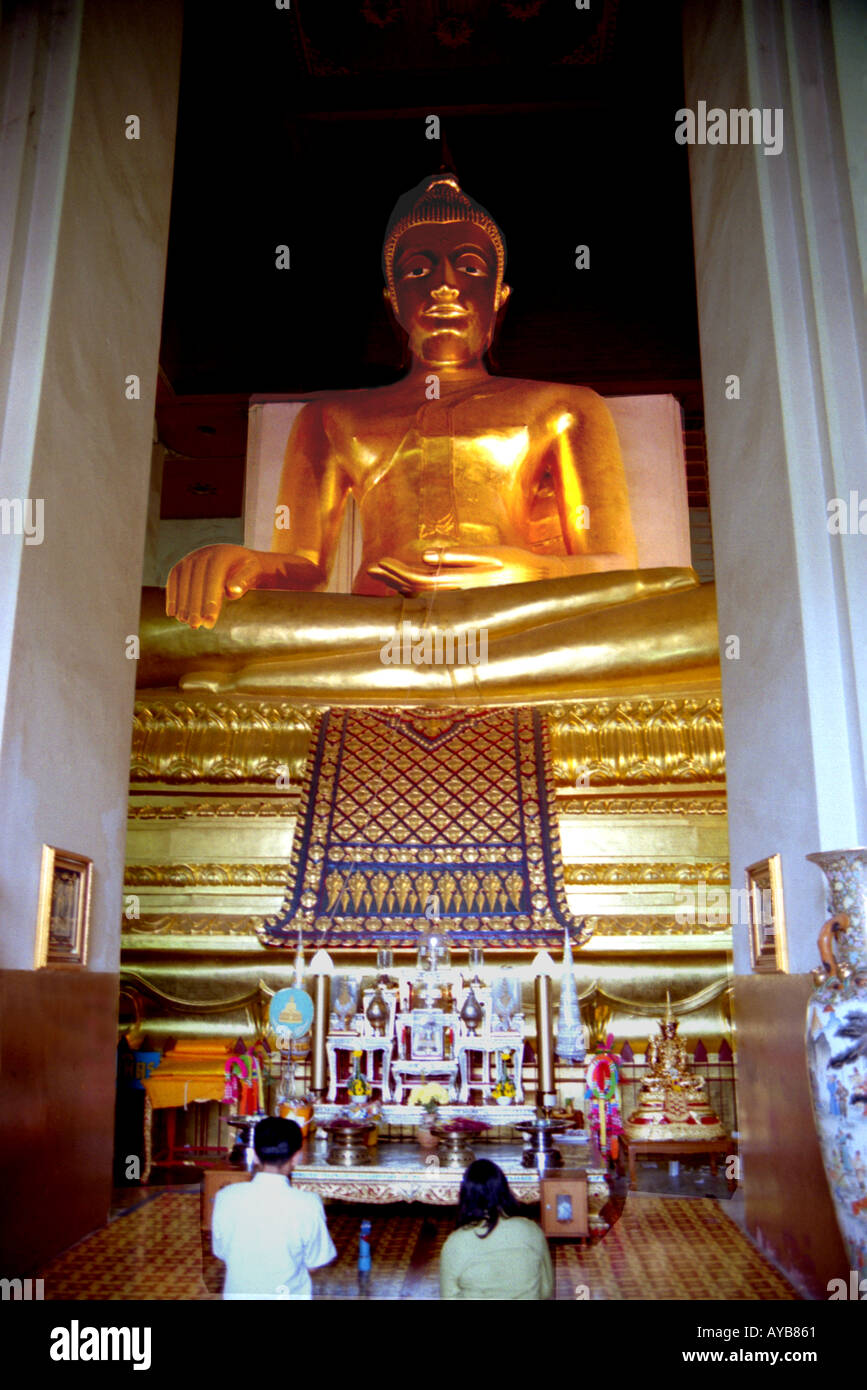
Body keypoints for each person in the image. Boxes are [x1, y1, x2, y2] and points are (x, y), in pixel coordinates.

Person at [143, 172, 718, 700]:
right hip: (371, 624)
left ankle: (271, 679)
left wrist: (526, 570)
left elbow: (613, 568)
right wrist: (245, 564)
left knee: (714, 615)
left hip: (513, 617)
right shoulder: (329, 417)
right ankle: (316, 666)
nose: (444, 285)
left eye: (468, 267)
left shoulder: (562, 406)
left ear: (499, 296)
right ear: (395, 302)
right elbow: (306, 568)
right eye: (419, 271)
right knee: (151, 625)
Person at [211, 1116, 336, 1299]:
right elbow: (315, 1262)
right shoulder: (308, 1204)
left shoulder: (226, 1197)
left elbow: (221, 1251)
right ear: (296, 1157)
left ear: (253, 1155)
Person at [439, 1158, 553, 1300]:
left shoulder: (456, 1242)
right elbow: (546, 1290)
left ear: (465, 1195)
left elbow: (448, 1296)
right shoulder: (532, 1231)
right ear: (505, 1190)